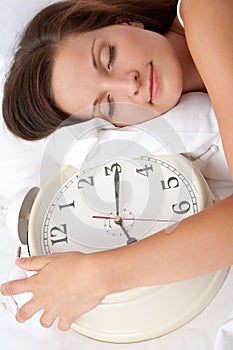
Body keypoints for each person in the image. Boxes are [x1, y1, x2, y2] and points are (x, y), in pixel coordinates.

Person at [1, 0, 233, 333]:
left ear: (127, 22)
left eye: (109, 56)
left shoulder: (204, 11)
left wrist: (97, 275)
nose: (130, 85)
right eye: (109, 104)